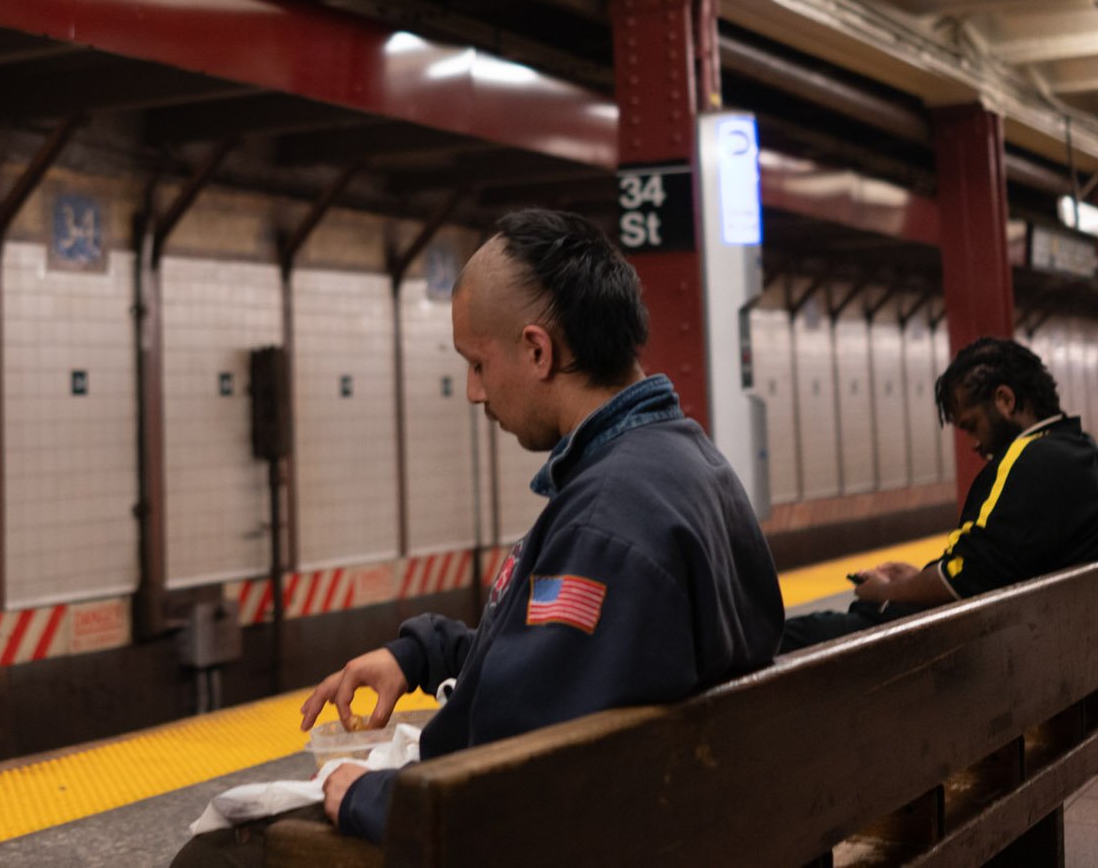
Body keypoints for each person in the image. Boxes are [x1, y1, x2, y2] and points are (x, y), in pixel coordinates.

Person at [172, 209, 783, 863]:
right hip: (694, 818)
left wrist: (363, 794)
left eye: (479, 365)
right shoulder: (686, 462)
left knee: (219, 856)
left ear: (538, 350)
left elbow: (512, 786)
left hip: (600, 839)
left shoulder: (605, 521)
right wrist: (425, 655)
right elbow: (580, 665)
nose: (472, 392)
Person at [780, 336, 1098, 651]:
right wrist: (920, 579)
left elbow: (966, 581)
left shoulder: (1025, 459)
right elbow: (991, 563)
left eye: (971, 425)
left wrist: (888, 590)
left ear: (1005, 400)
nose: (974, 444)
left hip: (993, 650)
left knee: (794, 636)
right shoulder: (1082, 449)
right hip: (1050, 633)